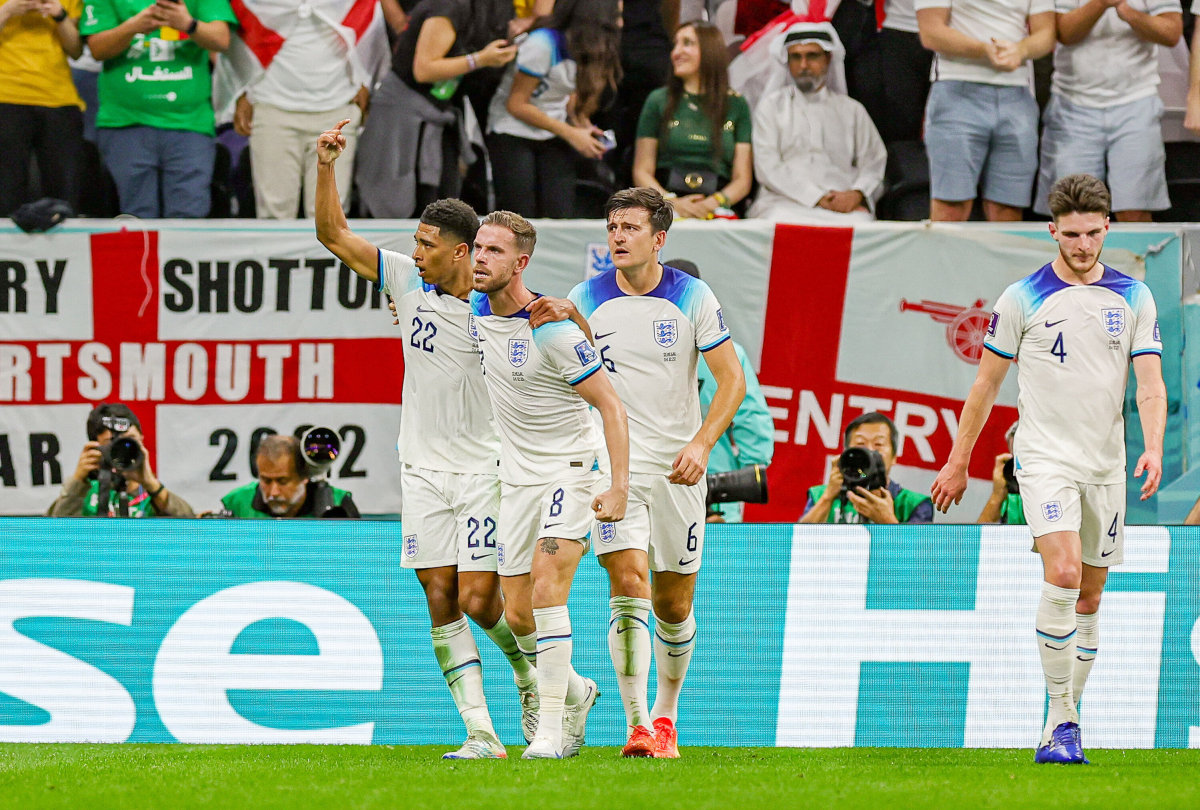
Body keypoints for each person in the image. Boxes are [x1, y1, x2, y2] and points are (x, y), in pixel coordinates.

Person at [315, 120, 537, 760]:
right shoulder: (406, 282)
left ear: (465, 252)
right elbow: (333, 235)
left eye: (428, 244)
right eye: (414, 241)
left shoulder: (504, 310)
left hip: (486, 473)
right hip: (421, 470)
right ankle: (480, 733)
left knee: (478, 597)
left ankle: (530, 676)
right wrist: (328, 165)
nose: (415, 252)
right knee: (441, 598)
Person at [932, 173, 1166, 764]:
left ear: (1108, 227)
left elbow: (1150, 385)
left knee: (1089, 598)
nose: (1084, 246)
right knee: (1061, 575)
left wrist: (1154, 446)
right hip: (1045, 460)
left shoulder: (1135, 296)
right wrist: (958, 462)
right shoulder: (1023, 298)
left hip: (1105, 465)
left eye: (1093, 233)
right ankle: (1062, 720)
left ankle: (1063, 718)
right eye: (1072, 234)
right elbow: (984, 386)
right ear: (1052, 231)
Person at [531, 187, 745, 758]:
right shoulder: (587, 297)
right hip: (612, 466)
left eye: (629, 228)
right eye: (612, 228)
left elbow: (733, 382)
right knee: (628, 583)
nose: (617, 238)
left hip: (679, 467)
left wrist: (702, 443)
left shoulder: (692, 297)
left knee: (674, 606)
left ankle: (666, 714)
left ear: (658, 239)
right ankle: (637, 726)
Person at [469, 209, 630, 759]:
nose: (480, 258)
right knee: (516, 617)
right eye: (478, 248)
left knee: (546, 590)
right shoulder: (471, 308)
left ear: (521, 262)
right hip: (514, 479)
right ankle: (578, 691)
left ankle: (552, 733)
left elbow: (612, 406)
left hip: (572, 469)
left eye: (494, 251)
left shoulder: (552, 327)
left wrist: (619, 485)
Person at [216, 0, 388, 219]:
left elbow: (371, 32)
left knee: (330, 217)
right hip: (273, 110)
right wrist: (242, 89)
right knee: (273, 213)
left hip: (337, 112)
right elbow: (237, 36)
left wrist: (364, 79)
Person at [353, 0, 516, 217]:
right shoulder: (448, 5)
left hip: (438, 112)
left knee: (442, 206)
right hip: (403, 119)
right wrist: (480, 59)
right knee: (402, 204)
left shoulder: (487, 9)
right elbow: (424, 69)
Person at [81, 0, 237, 218]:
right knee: (135, 216)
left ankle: (182, 254)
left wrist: (188, 24)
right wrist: (134, 26)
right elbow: (97, 49)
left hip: (190, 123)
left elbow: (221, 39)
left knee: (189, 216)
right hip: (125, 122)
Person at [1032, 0, 1181, 222]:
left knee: (1135, 210)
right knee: (1073, 212)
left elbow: (1171, 33)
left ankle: (1133, 258)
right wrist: (1101, 3)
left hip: (1136, 102)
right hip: (1073, 104)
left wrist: (1126, 10)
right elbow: (1064, 33)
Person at [915, 0, 1055, 221]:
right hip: (956, 90)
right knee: (951, 206)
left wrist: (1021, 49)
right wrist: (983, 50)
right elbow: (931, 32)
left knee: (1008, 209)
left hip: (1017, 95)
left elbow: (1046, 33)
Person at [486, 0, 622, 218]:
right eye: (615, 16)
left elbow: (566, 92)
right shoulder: (543, 43)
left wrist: (581, 125)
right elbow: (516, 104)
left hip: (553, 129)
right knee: (520, 215)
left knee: (560, 209)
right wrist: (571, 134)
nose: (621, 23)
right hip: (512, 129)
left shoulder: (590, 46)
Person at [747, 21, 886, 225]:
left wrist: (857, 193)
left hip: (843, 205)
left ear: (828, 58)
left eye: (812, 56)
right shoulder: (771, 107)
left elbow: (873, 163)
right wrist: (817, 197)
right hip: (783, 202)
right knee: (778, 222)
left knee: (861, 225)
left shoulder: (852, 110)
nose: (803, 65)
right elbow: (768, 167)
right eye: (796, 57)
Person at [669, 258, 773, 524]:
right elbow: (751, 418)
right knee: (717, 561)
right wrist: (747, 473)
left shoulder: (633, 352)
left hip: (650, 476)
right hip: (715, 480)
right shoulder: (728, 354)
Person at [632, 20, 753, 219]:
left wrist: (710, 204)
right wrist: (672, 203)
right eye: (675, 44)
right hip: (664, 203)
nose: (676, 52)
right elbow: (641, 171)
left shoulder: (737, 105)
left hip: (719, 206)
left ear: (709, 50)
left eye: (687, 43)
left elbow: (742, 179)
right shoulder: (657, 100)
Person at [0, 0, 85, 216]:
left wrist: (60, 15)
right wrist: (7, 10)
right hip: (6, 94)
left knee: (64, 193)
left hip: (59, 97)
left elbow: (75, 50)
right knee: (6, 189)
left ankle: (64, 248)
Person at [47, 404, 194, 517]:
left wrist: (151, 484)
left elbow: (192, 530)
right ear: (95, 448)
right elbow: (51, 534)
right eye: (112, 443)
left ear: (141, 439)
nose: (122, 449)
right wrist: (78, 481)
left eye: (130, 441)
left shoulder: (154, 495)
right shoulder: (84, 492)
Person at [799, 411, 934, 524]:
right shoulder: (820, 495)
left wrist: (887, 520)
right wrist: (828, 497)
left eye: (878, 444)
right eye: (860, 444)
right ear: (847, 453)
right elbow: (797, 543)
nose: (869, 451)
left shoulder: (914, 504)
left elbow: (919, 554)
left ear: (894, 457)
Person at [220, 434, 360, 518]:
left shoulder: (339, 504)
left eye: (283, 481)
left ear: (305, 477)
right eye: (266, 480)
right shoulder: (235, 503)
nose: (273, 492)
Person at [977, 421, 1025, 524]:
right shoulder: (1013, 495)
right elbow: (978, 537)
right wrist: (996, 496)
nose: (1020, 467)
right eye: (1015, 458)